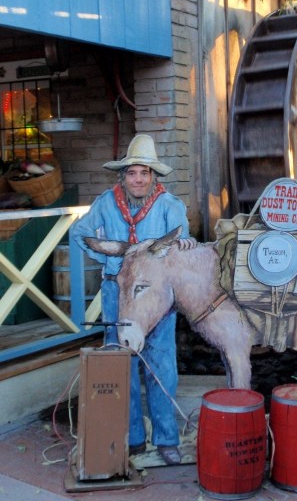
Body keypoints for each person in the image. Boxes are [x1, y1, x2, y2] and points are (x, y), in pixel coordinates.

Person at [71, 134, 195, 465]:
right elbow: (78, 233)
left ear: (153, 177)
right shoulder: (105, 204)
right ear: (122, 176)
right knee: (121, 360)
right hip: (117, 292)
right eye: (132, 173)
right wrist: (109, 261)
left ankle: (167, 438)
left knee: (161, 363)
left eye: (144, 173)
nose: (138, 179)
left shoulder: (171, 206)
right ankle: (134, 438)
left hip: (156, 296)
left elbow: (184, 242)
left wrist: (182, 249)